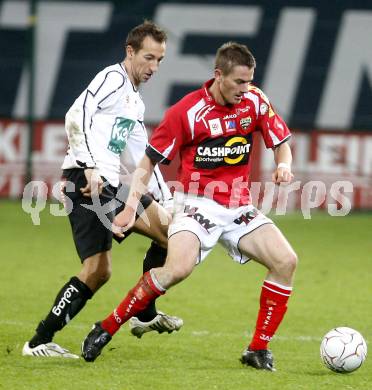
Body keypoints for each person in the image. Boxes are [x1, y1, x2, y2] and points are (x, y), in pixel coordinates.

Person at [81, 41, 298, 371]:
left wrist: (284, 165)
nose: (246, 89)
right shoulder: (187, 111)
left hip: (239, 207)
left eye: (250, 81)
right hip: (197, 204)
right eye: (239, 81)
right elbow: (148, 162)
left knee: (286, 261)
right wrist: (129, 208)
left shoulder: (254, 101)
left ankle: (257, 349)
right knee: (176, 270)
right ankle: (107, 326)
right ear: (218, 75)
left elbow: (281, 142)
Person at [22, 21, 182, 359]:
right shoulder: (112, 78)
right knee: (98, 271)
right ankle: (38, 342)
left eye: (160, 61)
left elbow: (144, 157)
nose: (153, 67)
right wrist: (90, 165)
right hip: (85, 182)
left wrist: (167, 198)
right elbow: (74, 114)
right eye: (149, 58)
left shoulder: (134, 102)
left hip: (110, 185)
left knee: (170, 232)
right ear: (130, 52)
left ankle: (144, 313)